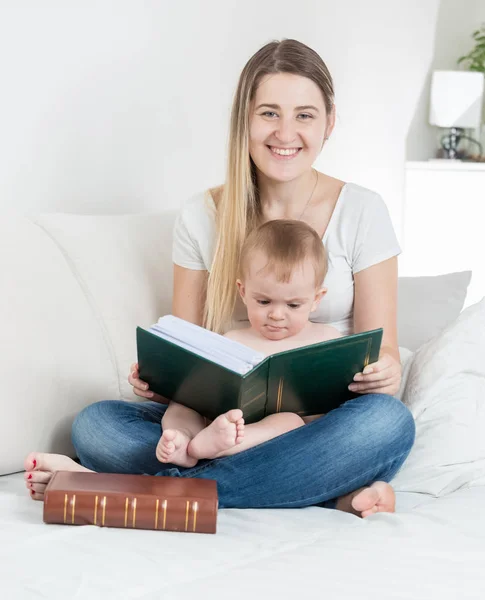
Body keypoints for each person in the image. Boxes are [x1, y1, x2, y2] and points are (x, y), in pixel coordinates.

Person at [24, 38, 415, 518]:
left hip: (314, 427)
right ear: (244, 120)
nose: (285, 132)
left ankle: (133, 490)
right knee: (97, 425)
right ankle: (321, 490)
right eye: (269, 113)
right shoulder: (202, 216)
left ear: (330, 122)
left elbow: (386, 355)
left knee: (387, 423)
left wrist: (385, 372)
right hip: (216, 427)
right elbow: (188, 351)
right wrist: (160, 382)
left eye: (305, 115)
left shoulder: (362, 211)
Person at [156, 219, 342, 468]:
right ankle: (184, 442)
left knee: (289, 420)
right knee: (181, 405)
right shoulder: (232, 339)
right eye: (264, 302)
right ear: (243, 292)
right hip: (223, 421)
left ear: (316, 299)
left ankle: (212, 449)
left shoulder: (328, 339)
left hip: (283, 445)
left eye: (293, 305)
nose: (276, 314)